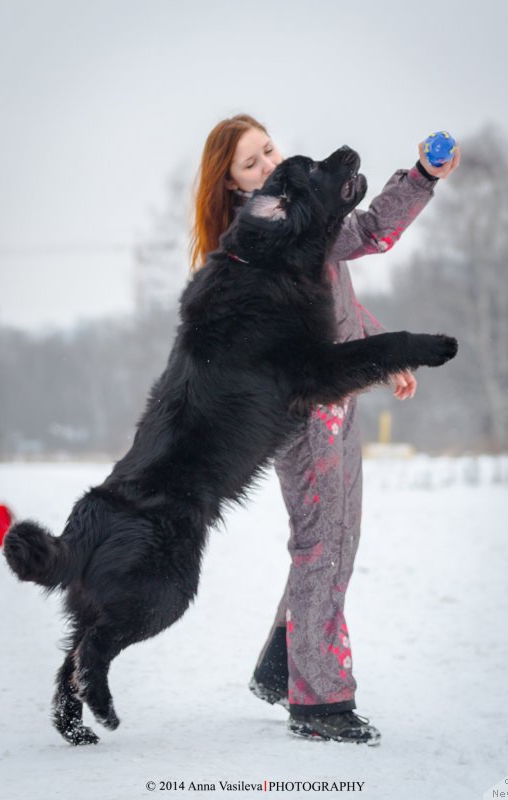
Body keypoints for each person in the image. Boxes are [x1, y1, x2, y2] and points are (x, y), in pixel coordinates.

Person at [189, 114, 460, 744]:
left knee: (335, 536)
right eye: (250, 165)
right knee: (324, 543)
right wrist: (420, 178)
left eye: (268, 150)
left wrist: (379, 353)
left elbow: (335, 290)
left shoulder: (296, 221)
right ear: (233, 187)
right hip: (307, 408)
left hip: (336, 396)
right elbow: (369, 232)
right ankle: (319, 699)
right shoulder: (273, 231)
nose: (267, 165)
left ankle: (284, 662)